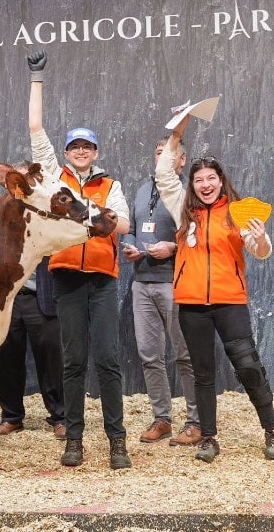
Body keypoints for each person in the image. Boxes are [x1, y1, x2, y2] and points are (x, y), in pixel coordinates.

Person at [27, 50, 132, 469]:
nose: (81, 150)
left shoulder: (111, 183)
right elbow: (36, 128)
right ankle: (74, 440)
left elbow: (123, 224)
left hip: (104, 281)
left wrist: (98, 213)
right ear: (67, 151)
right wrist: (37, 78)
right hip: (67, 280)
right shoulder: (56, 178)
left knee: (107, 360)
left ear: (96, 150)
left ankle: (117, 441)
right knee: (72, 362)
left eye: (87, 145)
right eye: (75, 145)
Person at [155, 114, 274, 463]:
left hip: (230, 304)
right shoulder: (183, 210)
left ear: (221, 181)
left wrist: (263, 239)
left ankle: (271, 429)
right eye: (199, 179)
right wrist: (177, 132)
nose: (206, 184)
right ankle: (208, 438)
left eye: (211, 178)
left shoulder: (238, 212)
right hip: (192, 307)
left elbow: (260, 253)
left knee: (249, 367)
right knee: (203, 374)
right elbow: (164, 173)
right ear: (191, 184)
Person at [122, 137, 200, 446]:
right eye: (158, 154)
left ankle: (194, 421)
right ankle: (162, 418)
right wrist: (128, 244)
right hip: (141, 282)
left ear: (181, 161)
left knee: (184, 355)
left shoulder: (187, 193)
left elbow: (198, 235)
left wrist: (172, 247)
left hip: (175, 282)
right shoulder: (142, 191)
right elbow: (130, 225)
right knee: (149, 355)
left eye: (168, 155)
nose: (162, 159)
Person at [0, 161, 66, 441]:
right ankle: (11, 417)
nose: (21, 183)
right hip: (8, 297)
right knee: (8, 357)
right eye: (16, 179)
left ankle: (60, 416)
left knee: (50, 358)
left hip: (39, 293)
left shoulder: (46, 210)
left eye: (26, 178)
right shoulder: (1, 213)